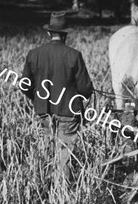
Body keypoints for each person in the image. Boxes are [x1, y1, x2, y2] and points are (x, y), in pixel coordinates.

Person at [20, 11, 94, 185]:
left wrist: (37, 97)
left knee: (45, 150)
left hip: (43, 111)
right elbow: (85, 88)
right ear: (65, 34)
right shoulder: (74, 55)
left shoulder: (34, 54)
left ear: (48, 33)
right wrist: (80, 98)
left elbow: (24, 85)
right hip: (69, 112)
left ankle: (43, 186)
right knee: (64, 153)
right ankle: (61, 189)